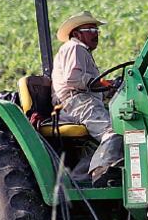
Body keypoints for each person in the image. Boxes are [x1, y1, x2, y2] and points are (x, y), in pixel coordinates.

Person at [51, 11, 123, 184]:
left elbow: (90, 83)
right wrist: (104, 84)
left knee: (94, 146)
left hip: (81, 101)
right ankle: (102, 172)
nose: (95, 33)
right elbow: (74, 79)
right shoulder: (75, 47)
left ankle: (78, 180)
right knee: (114, 132)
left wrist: (109, 87)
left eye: (96, 29)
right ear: (76, 34)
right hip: (76, 102)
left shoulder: (80, 50)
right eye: (90, 29)